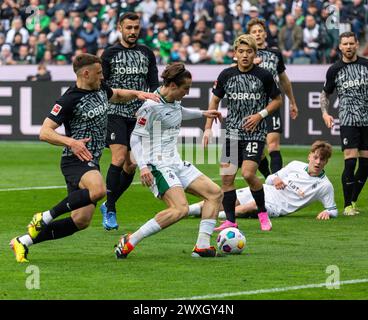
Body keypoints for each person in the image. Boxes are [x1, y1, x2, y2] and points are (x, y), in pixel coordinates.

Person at [9, 53, 159, 263]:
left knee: (81, 220)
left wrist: (138, 94)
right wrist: (71, 142)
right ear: (86, 73)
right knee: (98, 190)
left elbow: (116, 94)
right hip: (74, 159)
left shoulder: (100, 90)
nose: (102, 77)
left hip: (91, 160)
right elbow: (44, 132)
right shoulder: (69, 99)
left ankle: (23, 241)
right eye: (98, 73)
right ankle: (43, 217)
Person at [114, 62, 224, 259]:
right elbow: (135, 138)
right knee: (180, 209)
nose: (187, 93)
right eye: (185, 89)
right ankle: (130, 240)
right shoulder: (151, 106)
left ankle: (202, 246)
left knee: (215, 194)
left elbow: (177, 113)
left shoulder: (172, 100)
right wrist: (144, 167)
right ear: (173, 86)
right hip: (157, 165)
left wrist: (202, 113)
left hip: (175, 162)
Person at [203, 34, 282, 232]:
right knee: (227, 178)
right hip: (232, 133)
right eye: (241, 52)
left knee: (248, 174)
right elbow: (214, 101)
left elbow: (277, 100)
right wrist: (207, 128)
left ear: (254, 53)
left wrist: (260, 115)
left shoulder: (263, 75)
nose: (245, 55)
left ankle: (263, 214)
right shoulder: (226, 75)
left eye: (249, 52)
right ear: (235, 54)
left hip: (255, 132)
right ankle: (231, 220)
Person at [100, 12, 159, 231]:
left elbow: (153, 86)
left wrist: (149, 108)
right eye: (129, 28)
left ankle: (108, 202)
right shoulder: (109, 53)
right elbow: (103, 87)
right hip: (114, 112)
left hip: (139, 117)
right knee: (119, 156)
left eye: (136, 28)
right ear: (120, 28)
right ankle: (112, 208)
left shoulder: (146, 53)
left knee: (132, 164)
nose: (133, 31)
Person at [188, 140, 338, 221]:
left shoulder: (325, 186)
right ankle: (186, 211)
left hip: (277, 206)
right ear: (309, 156)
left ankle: (214, 217)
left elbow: (333, 210)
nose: (318, 162)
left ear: (326, 162)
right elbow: (270, 179)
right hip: (265, 191)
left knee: (252, 206)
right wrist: (276, 179)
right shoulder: (295, 165)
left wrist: (328, 213)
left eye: (322, 159)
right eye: (316, 157)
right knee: (222, 199)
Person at [320, 31, 368, 216]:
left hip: (366, 121)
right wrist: (325, 113)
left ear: (357, 44)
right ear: (340, 47)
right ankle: (347, 205)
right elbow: (326, 93)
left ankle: (353, 200)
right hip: (348, 119)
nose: (348, 47)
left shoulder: (366, 65)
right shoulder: (334, 69)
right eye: (345, 44)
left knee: (365, 165)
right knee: (350, 161)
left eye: (351, 43)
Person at [247, 18, 299, 178]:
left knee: (273, 145)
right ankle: (270, 178)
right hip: (251, 107)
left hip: (272, 104)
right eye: (254, 32)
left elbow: (284, 79)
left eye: (260, 31)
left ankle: (276, 185)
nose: (257, 34)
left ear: (265, 34)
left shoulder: (275, 53)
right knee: (259, 151)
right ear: (249, 35)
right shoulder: (244, 53)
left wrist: (292, 101)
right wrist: (250, 63)